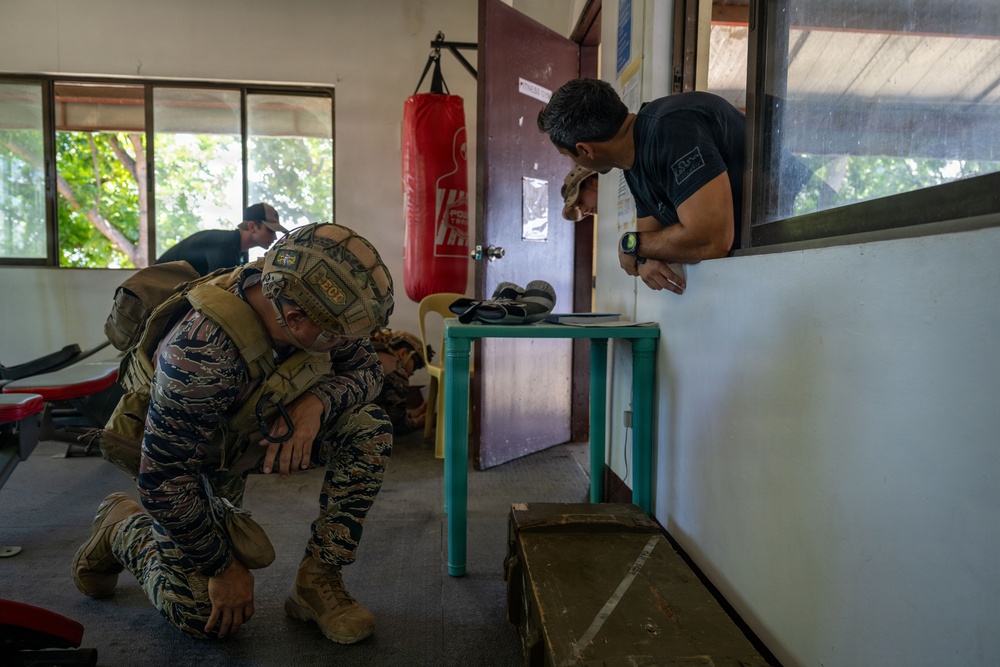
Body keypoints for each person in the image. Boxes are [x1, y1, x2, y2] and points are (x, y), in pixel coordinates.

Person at [72, 223, 395, 645]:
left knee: (369, 429)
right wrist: (222, 567)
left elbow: (368, 371)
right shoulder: (201, 353)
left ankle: (317, 581)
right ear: (294, 319)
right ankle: (122, 527)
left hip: (251, 435)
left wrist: (315, 404)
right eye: (340, 337)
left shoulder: (308, 302)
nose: (348, 343)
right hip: (190, 469)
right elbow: (164, 480)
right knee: (204, 616)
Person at [538, 78, 746, 294]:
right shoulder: (633, 166)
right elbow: (650, 242)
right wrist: (642, 252)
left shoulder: (669, 129)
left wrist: (632, 245)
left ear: (585, 150)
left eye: (567, 155)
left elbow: (711, 240)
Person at [155, 202, 290, 276]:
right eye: (270, 230)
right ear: (252, 226)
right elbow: (220, 290)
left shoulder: (233, 246)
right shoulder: (224, 246)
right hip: (153, 293)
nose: (274, 236)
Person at [371, 329, 430, 435]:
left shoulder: (370, 351)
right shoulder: (397, 372)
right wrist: (420, 421)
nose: (412, 373)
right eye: (415, 366)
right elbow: (398, 426)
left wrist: (413, 414)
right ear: (403, 354)